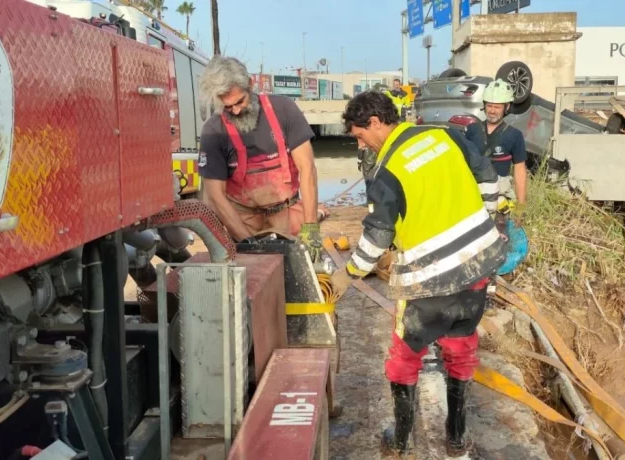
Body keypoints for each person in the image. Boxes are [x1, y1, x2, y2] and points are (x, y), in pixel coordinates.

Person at [330, 91, 506, 456]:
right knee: (460, 346)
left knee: (404, 356)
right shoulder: (443, 136)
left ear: (376, 123)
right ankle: (456, 438)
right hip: (477, 264)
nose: (361, 144)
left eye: (360, 135)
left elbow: (378, 236)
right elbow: (487, 176)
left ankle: (402, 439)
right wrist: (486, 216)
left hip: (429, 280)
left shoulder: (387, 170)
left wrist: (350, 273)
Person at [197, 56, 322, 258]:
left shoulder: (284, 110)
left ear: (250, 85)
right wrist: (249, 244)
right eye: (227, 107)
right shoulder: (213, 131)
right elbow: (216, 196)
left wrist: (311, 227)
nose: (235, 111)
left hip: (288, 216)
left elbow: (307, 169)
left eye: (240, 101)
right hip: (242, 220)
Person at [464, 79, 528, 205]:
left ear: (507, 107)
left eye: (497, 107)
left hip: (500, 198)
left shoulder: (514, 135)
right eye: (489, 106)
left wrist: (521, 204)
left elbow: (519, 169)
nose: (492, 111)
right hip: (475, 198)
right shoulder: (472, 130)